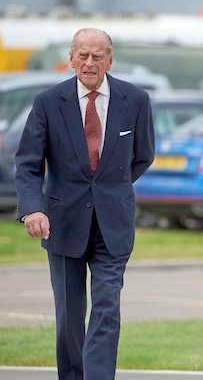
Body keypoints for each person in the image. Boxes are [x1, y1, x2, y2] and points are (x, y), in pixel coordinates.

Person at [14, 28, 155, 380]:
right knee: (70, 317)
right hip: (63, 222)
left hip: (113, 223)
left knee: (107, 308)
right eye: (82, 55)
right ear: (72, 58)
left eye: (97, 56)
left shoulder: (135, 99)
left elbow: (142, 157)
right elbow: (28, 163)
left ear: (109, 60)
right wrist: (33, 208)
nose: (89, 63)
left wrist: (109, 191)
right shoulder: (48, 102)